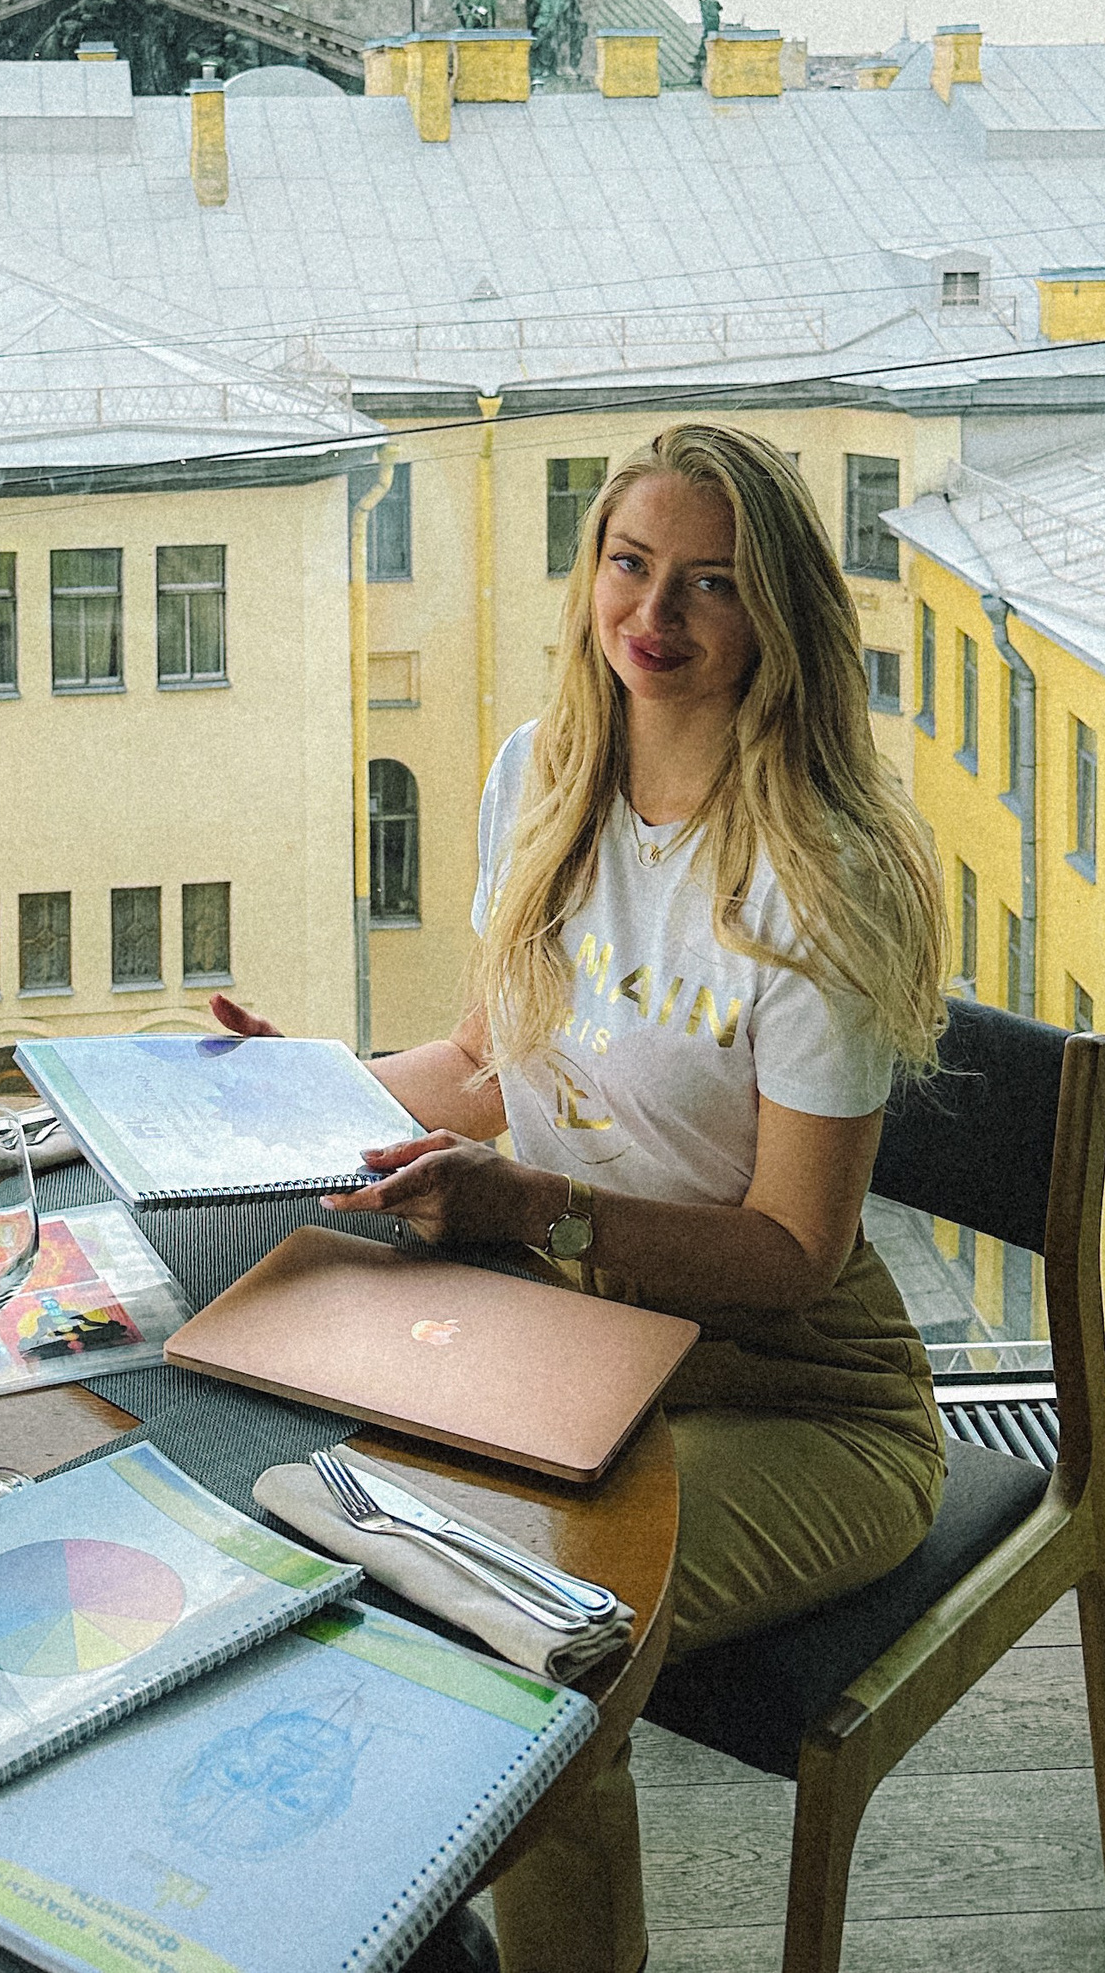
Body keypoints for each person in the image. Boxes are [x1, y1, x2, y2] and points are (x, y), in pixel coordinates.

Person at [212, 420, 950, 1973]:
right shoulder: (542, 781)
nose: (654, 615)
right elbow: (492, 1065)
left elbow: (794, 1251)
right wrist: (303, 1089)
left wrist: (534, 1214)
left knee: (529, 1635)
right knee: (307, 1512)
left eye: (708, 584)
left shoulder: (821, 880)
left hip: (805, 1398)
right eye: (629, 563)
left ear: (777, 618)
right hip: (570, 1340)